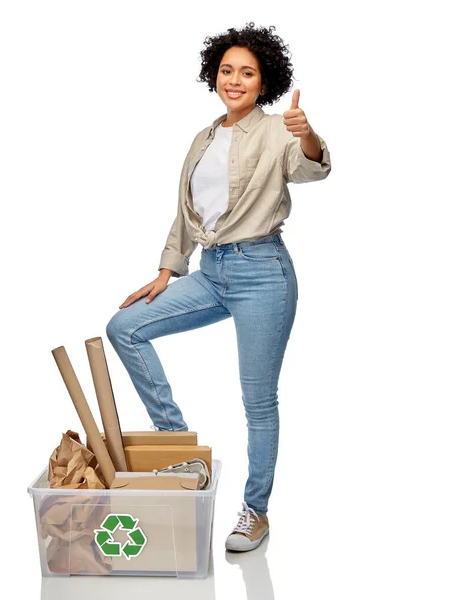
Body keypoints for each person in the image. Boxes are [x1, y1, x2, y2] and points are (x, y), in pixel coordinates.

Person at [105, 22, 331, 552]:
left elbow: (314, 169)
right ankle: (177, 443)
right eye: (227, 70)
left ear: (263, 82)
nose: (235, 80)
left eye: (247, 73)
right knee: (125, 328)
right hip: (211, 273)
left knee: (257, 400)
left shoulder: (279, 131)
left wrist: (307, 134)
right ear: (215, 75)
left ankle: (256, 511)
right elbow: (186, 213)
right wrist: (168, 268)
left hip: (263, 274)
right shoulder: (203, 138)